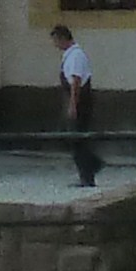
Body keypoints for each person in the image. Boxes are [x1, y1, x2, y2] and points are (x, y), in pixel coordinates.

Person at [51, 23, 100, 188]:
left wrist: (73, 104)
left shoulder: (76, 56)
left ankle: (89, 172)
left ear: (63, 38)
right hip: (75, 100)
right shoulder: (69, 55)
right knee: (71, 136)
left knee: (77, 138)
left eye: (56, 40)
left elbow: (76, 81)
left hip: (80, 101)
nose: (55, 45)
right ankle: (91, 166)